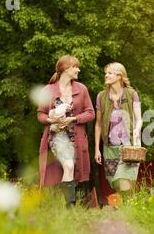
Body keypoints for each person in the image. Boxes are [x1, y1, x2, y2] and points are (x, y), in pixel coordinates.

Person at [37, 55, 95, 209]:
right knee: (69, 166)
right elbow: (40, 114)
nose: (78, 69)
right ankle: (70, 207)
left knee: (71, 171)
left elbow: (90, 113)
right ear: (65, 69)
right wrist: (51, 121)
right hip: (57, 137)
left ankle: (66, 206)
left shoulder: (81, 89)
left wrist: (73, 119)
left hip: (76, 138)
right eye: (75, 66)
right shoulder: (48, 90)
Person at [94, 62, 142, 208]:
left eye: (110, 73)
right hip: (110, 148)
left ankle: (126, 209)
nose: (106, 75)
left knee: (123, 179)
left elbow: (139, 118)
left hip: (129, 146)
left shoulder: (131, 94)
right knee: (115, 181)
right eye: (106, 73)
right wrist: (97, 148)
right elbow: (98, 124)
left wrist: (137, 130)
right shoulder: (101, 96)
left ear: (120, 75)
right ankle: (129, 206)